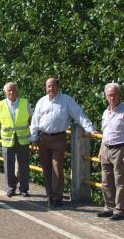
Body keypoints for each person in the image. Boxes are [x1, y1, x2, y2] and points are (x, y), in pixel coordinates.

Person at [30, 77, 95, 207]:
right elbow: (35, 122)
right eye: (48, 86)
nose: (51, 88)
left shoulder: (66, 100)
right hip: (43, 138)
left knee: (57, 167)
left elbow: (78, 114)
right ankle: (50, 195)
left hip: (59, 138)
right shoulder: (41, 102)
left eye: (53, 85)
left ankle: (58, 196)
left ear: (58, 87)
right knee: (46, 167)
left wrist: (90, 128)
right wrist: (33, 139)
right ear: (46, 88)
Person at [93, 83, 124, 220]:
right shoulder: (106, 112)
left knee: (120, 181)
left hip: (120, 149)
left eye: (114, 95)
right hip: (106, 148)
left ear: (119, 95)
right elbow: (105, 132)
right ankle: (109, 207)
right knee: (106, 181)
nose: (112, 98)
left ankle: (119, 210)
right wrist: (101, 149)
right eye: (109, 95)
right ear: (106, 97)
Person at [0, 82, 32, 198]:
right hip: (7, 140)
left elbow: (31, 119)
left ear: (17, 91)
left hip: (22, 139)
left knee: (24, 165)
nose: (12, 92)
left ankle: (24, 188)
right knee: (8, 165)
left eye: (14, 90)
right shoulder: (0, 104)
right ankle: (10, 188)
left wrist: (32, 135)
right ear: (5, 92)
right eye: (9, 90)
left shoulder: (24, 102)